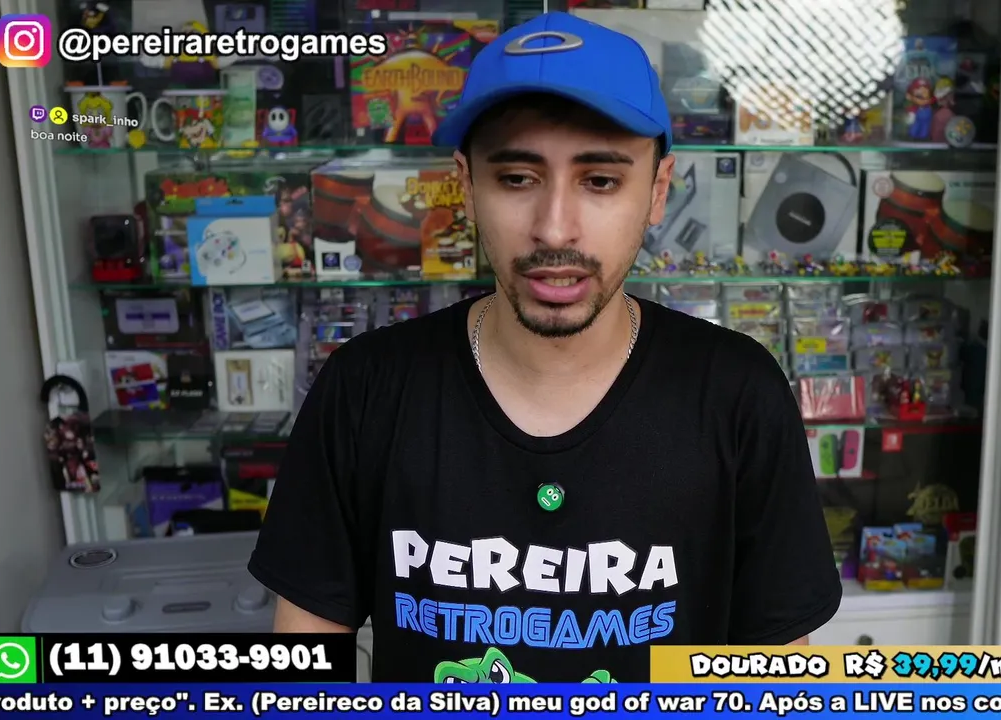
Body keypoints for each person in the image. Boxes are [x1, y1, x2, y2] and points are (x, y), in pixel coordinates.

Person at [249, 11, 841, 683]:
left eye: (600, 181)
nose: (555, 229)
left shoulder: (737, 396)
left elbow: (774, 683)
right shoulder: (365, 391)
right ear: (466, 186)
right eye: (517, 178)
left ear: (658, 191)